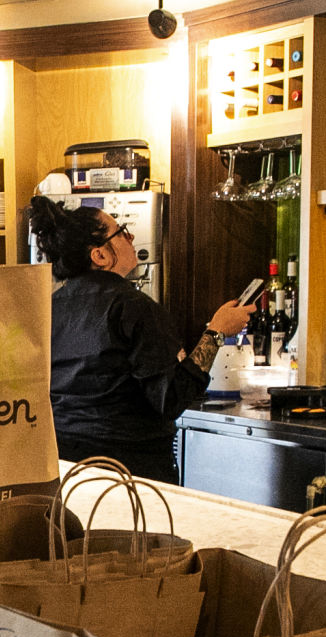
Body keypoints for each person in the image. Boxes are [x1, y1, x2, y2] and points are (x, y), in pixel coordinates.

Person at [29, 195, 252, 482]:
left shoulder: (48, 308)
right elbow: (172, 398)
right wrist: (217, 332)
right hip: (129, 471)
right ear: (99, 255)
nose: (131, 236)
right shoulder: (133, 307)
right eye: (122, 232)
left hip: (65, 467)